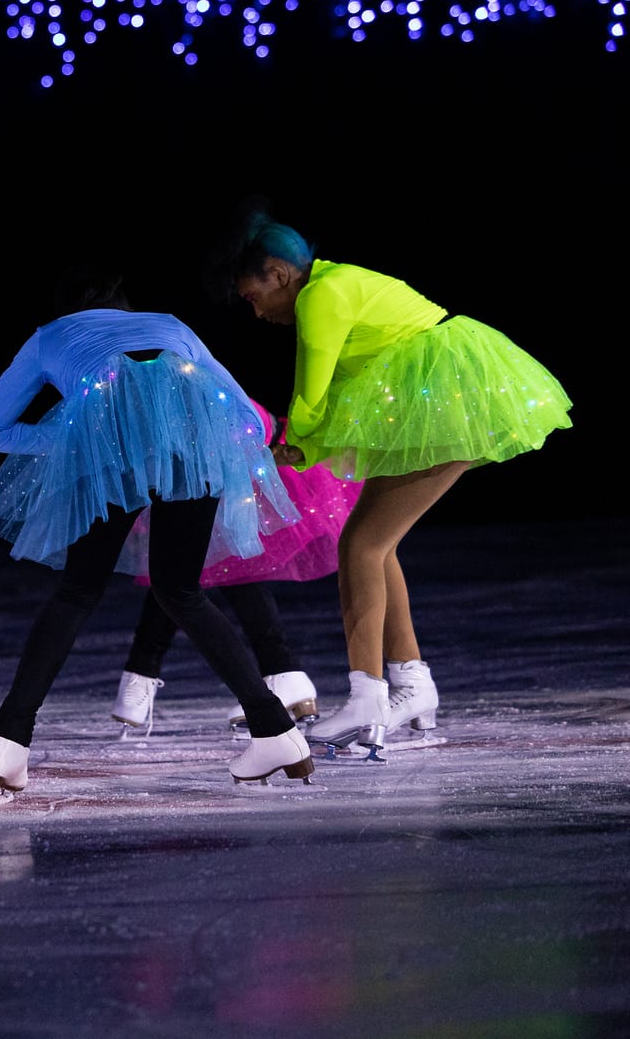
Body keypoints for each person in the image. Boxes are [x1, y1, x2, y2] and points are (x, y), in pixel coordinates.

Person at [224, 205, 574, 757]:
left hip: (452, 393)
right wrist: (300, 447)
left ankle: (368, 695)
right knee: (373, 545)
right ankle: (412, 684)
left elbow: (312, 390)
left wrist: (296, 442)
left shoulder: (322, 294)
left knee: (363, 545)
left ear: (278, 275)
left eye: (253, 297)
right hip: (443, 391)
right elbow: (333, 392)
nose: (256, 311)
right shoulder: (334, 285)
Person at [0, 264, 316, 802]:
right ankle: (276, 731)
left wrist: (77, 444)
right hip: (195, 437)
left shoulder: (48, 337)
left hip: (114, 434)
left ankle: (7, 744)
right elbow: (246, 415)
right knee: (180, 592)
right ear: (123, 308)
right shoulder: (170, 324)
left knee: (78, 592)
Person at [110, 397, 360, 736]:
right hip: (212, 459)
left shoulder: (188, 389)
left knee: (206, 563)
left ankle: (280, 671)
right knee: (192, 565)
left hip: (246, 455)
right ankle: (283, 672)